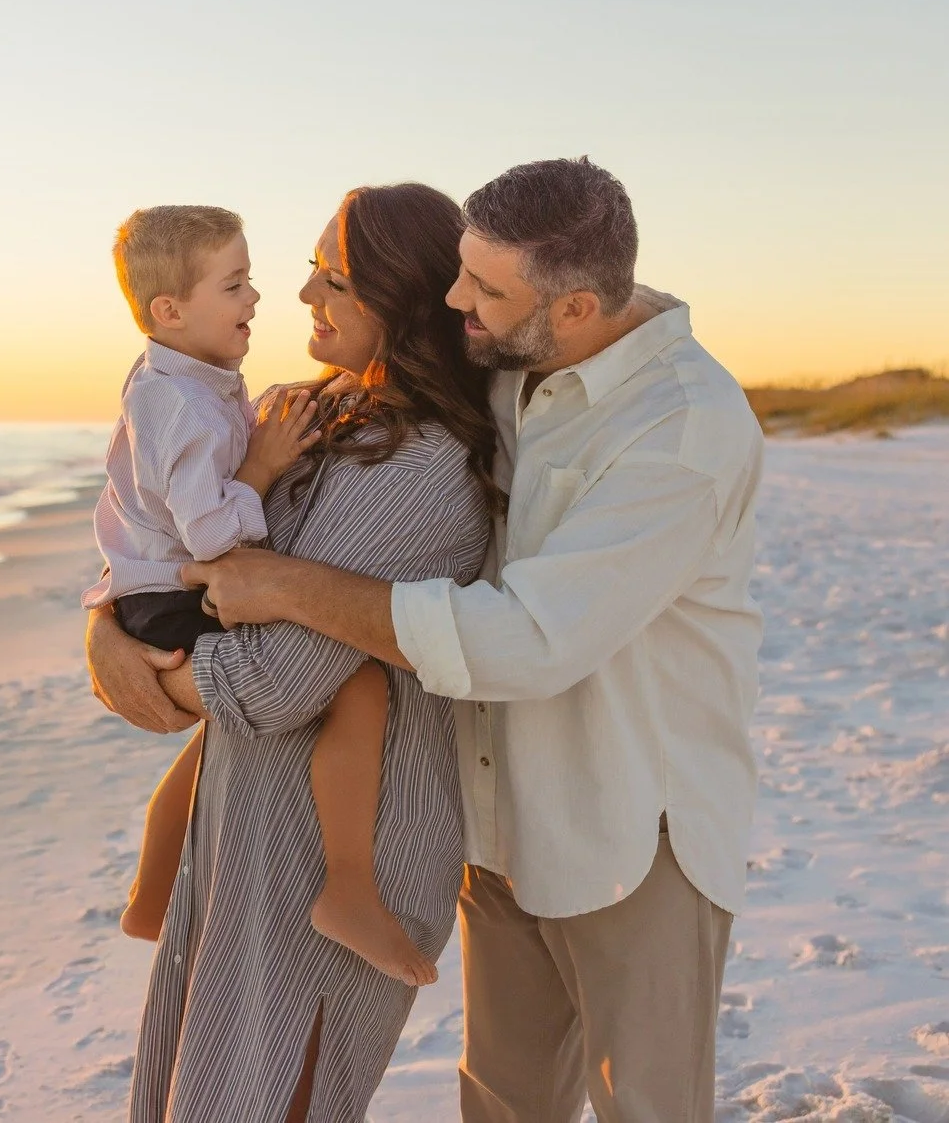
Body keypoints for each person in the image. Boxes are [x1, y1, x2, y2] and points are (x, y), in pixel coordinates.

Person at [185, 157, 765, 1123]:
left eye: (483, 289)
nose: (455, 299)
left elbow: (527, 640)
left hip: (632, 826)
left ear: (575, 306)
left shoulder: (681, 429)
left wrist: (283, 584)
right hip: (498, 813)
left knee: (649, 1107)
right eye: (461, 270)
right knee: (503, 1101)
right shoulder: (512, 356)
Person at [87, 184, 495, 1122]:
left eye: (334, 276)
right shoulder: (296, 409)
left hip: (326, 862)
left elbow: (275, 684)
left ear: (400, 299)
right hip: (239, 836)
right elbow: (154, 531)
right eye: (304, 270)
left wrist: (141, 671)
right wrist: (103, 628)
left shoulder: (423, 466)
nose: (301, 293)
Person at [83, 203, 429, 985]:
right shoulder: (180, 407)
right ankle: (347, 886)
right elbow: (210, 535)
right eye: (235, 285)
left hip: (155, 588)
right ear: (170, 311)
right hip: (175, 593)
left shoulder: (183, 380)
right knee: (360, 685)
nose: (260, 299)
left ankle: (149, 893)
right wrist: (264, 470)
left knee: (220, 735)